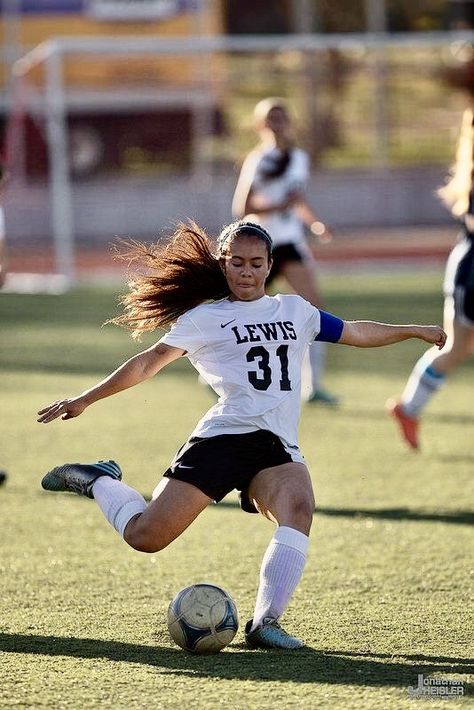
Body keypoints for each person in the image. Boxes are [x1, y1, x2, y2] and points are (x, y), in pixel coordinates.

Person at [37, 220, 446, 649]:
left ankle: (265, 622)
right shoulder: (205, 319)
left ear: (270, 265)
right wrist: (84, 399)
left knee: (299, 507)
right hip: (223, 439)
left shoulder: (295, 310)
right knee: (146, 537)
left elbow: (356, 331)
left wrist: (412, 330)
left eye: (255, 263)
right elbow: (147, 363)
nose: (246, 272)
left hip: (275, 446)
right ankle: (100, 479)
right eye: (237, 263)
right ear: (224, 264)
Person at [232, 97, 338, 405]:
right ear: (260, 125)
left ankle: (313, 386)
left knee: (314, 310)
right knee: (237, 311)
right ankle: (211, 376)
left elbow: (297, 200)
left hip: (289, 243)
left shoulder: (298, 158)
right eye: (271, 118)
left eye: (282, 117)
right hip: (259, 245)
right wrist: (279, 206)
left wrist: (315, 223)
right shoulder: (258, 160)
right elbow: (243, 206)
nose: (277, 123)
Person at [387, 108, 474, 450]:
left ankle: (408, 409)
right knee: (456, 347)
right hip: (471, 273)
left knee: (459, 348)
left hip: (465, 266)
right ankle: (408, 408)